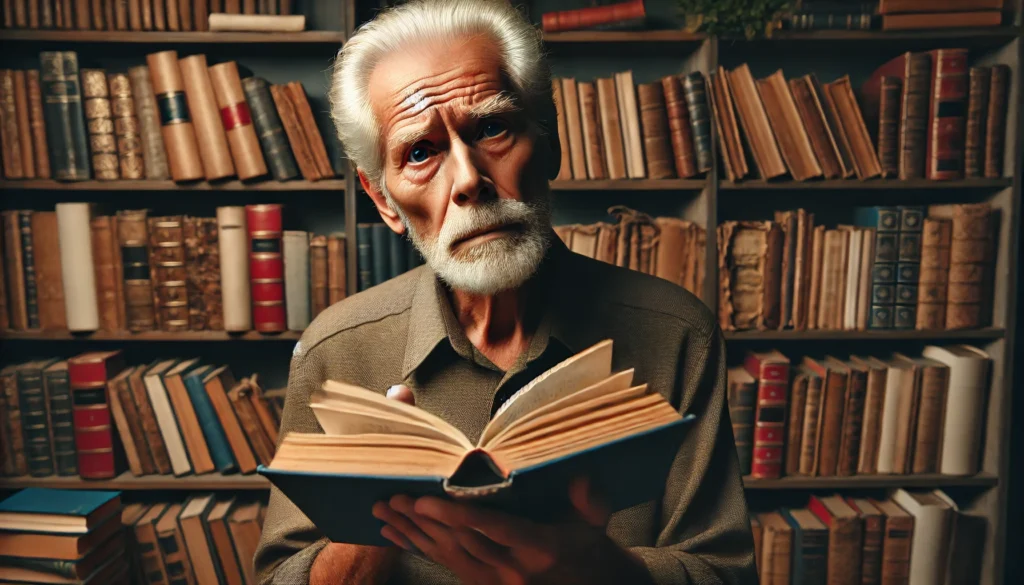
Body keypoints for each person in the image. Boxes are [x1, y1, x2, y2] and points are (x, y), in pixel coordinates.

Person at [254, 0, 756, 583]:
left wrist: (598, 571)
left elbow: (727, 573)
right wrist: (373, 525)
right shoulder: (334, 351)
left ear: (550, 144)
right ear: (383, 201)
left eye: (492, 127)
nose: (468, 180)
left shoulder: (677, 333)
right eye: (421, 152)